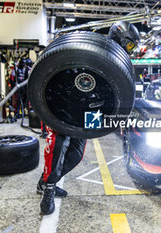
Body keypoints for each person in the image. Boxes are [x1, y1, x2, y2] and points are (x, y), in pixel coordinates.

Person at [38, 21, 140, 215]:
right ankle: (48, 190)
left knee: (76, 156)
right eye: (129, 45)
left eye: (132, 47)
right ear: (120, 37)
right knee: (58, 148)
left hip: (90, 112)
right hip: (65, 105)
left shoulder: (120, 63)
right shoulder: (93, 45)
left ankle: (44, 182)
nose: (130, 50)